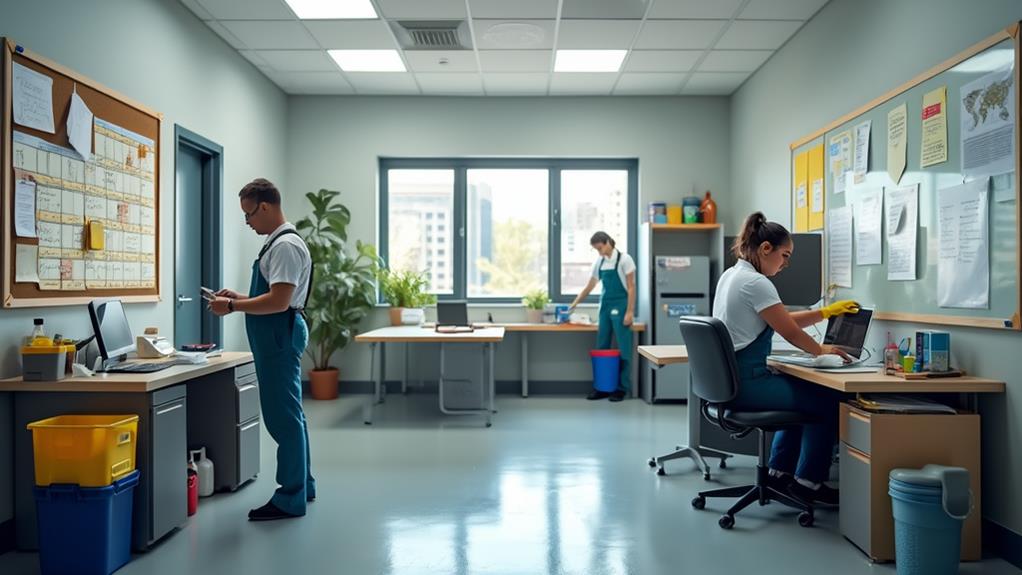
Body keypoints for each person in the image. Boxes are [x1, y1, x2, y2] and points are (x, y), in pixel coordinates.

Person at [713, 212, 859, 506]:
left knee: (800, 395)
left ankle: (779, 474)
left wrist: (826, 312)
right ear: (766, 248)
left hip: (733, 383)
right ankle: (808, 484)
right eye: (785, 255)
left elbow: (780, 319)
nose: (785, 264)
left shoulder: (732, 275)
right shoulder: (756, 283)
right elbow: (790, 331)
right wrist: (821, 351)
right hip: (748, 384)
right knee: (827, 400)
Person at [208, 178, 316, 521]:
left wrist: (233, 308)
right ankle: (304, 485)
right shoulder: (277, 243)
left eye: (249, 214)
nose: (248, 222)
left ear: (265, 207)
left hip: (278, 336)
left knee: (282, 418)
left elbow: (279, 301)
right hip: (277, 335)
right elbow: (274, 293)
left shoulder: (284, 246)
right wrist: (239, 297)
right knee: (291, 415)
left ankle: (290, 497)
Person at [568, 231, 636, 402]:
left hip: (621, 306)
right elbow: (590, 286)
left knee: (624, 348)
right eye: (596, 250)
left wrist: (629, 311)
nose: (599, 252)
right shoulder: (599, 262)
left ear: (607, 243)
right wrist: (575, 303)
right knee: (601, 347)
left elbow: (631, 288)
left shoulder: (625, 260)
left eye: (599, 248)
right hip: (605, 307)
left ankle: (621, 388)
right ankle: (602, 387)